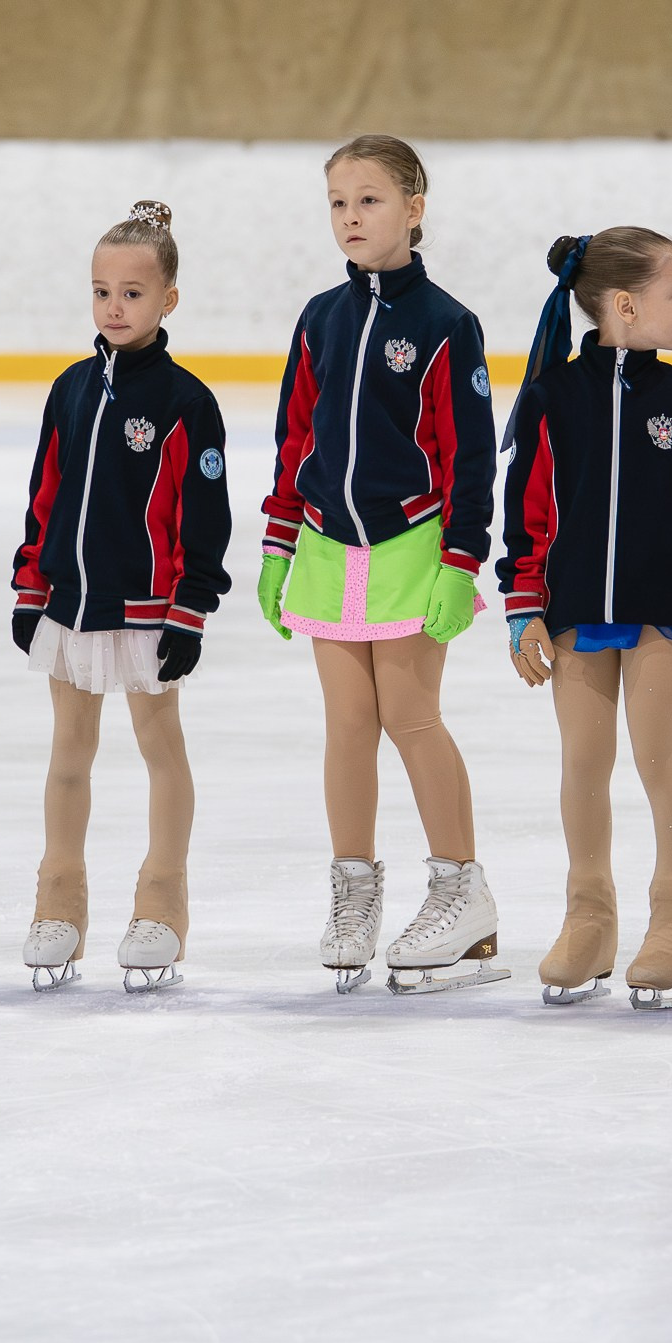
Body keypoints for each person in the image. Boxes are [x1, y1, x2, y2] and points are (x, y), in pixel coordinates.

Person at [260, 135, 501, 995]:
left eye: (369, 199)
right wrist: (280, 540)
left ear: (413, 208)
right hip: (326, 546)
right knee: (348, 727)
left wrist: (461, 561)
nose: (351, 216)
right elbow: (295, 432)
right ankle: (354, 892)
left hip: (411, 548)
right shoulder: (319, 316)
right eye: (337, 202)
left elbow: (473, 455)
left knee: (410, 715)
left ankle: (461, 892)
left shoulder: (444, 324)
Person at [499, 227, 672, 1010]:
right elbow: (526, 511)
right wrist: (524, 607)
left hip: (662, 611)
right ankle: (589, 916)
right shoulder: (552, 396)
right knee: (583, 761)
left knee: (658, 756)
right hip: (571, 614)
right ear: (625, 304)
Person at [9, 202, 231, 993]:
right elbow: (46, 492)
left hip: (149, 610)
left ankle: (162, 903)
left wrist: (191, 607)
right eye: (101, 290)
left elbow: (206, 516)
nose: (114, 306)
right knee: (69, 752)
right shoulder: (71, 389)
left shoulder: (186, 402)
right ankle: (58, 900)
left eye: (132, 293)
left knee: (158, 746)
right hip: (71, 603)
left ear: (168, 298)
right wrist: (31, 585)